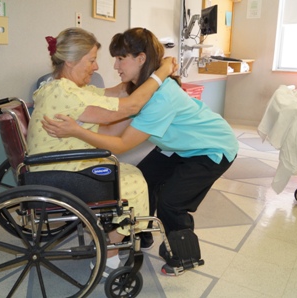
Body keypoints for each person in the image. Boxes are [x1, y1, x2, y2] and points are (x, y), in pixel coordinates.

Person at [42, 27, 239, 275]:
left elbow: (123, 144)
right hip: (178, 147)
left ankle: (184, 256)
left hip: (211, 147)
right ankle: (140, 234)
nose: (115, 66)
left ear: (141, 58)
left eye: (120, 58)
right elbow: (113, 107)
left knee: (172, 202)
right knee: (145, 179)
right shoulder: (138, 87)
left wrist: (78, 132)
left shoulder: (161, 97)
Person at [26, 27, 177, 278]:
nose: (96, 68)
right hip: (62, 174)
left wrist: (138, 71)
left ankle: (112, 236)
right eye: (92, 60)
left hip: (49, 168)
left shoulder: (57, 86)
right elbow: (130, 106)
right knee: (134, 181)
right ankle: (110, 255)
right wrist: (162, 72)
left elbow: (116, 92)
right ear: (71, 61)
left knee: (125, 170)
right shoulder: (66, 93)